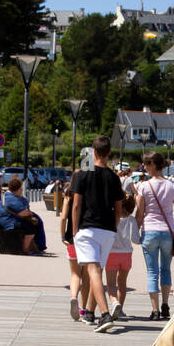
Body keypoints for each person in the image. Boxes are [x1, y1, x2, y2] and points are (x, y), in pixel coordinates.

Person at [71, 135, 125, 331]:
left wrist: (75, 229)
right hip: (108, 230)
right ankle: (90, 312)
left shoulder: (84, 174)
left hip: (88, 227)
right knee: (98, 271)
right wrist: (114, 226)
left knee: (92, 271)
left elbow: (76, 205)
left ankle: (105, 314)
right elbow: (118, 208)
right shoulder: (113, 177)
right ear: (109, 153)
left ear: (93, 151)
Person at [135, 150, 174, 320]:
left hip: (150, 231)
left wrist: (136, 230)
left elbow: (140, 213)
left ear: (153, 165)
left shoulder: (143, 186)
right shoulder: (173, 186)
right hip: (168, 233)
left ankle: (155, 310)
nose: (144, 167)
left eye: (146, 164)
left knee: (152, 271)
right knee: (165, 269)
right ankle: (165, 305)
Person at [105, 193, 139, 320]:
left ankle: (114, 302)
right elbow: (135, 239)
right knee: (122, 283)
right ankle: (120, 309)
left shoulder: (113, 217)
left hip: (112, 253)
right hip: (126, 254)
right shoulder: (131, 220)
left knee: (111, 284)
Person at [60, 172, 88, 321]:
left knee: (75, 274)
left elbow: (63, 217)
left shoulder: (68, 195)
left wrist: (63, 236)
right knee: (87, 275)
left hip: (72, 239)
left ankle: (73, 297)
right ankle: (83, 310)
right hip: (87, 238)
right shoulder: (89, 194)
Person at [0, 177, 47, 255]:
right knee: (30, 226)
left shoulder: (11, 196)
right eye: (20, 188)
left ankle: (38, 246)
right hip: (9, 222)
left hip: (11, 220)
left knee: (36, 222)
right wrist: (30, 213)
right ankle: (26, 249)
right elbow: (23, 212)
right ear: (17, 189)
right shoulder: (11, 198)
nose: (21, 190)